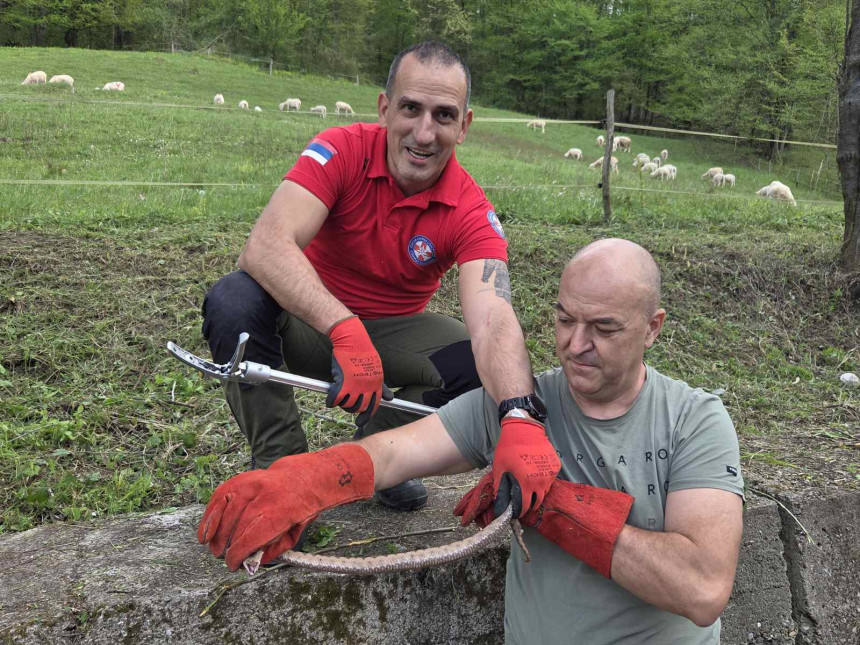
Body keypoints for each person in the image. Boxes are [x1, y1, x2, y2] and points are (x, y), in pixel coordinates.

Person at [198, 238, 745, 644]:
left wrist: (551, 506)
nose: (576, 345)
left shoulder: (693, 421)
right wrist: (302, 480)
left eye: (604, 329)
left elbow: (701, 588)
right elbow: (395, 451)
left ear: (653, 327)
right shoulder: (519, 407)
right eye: (563, 320)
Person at [200, 41, 559, 514]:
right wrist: (344, 329)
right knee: (233, 300)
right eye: (411, 108)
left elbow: (494, 317)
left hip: (391, 332)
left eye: (444, 115)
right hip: (304, 323)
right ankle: (281, 469)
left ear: (465, 126)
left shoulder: (471, 210)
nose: (425, 133)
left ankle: (375, 459)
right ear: (385, 108)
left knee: (475, 366)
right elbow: (266, 245)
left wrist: (519, 413)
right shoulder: (342, 148)